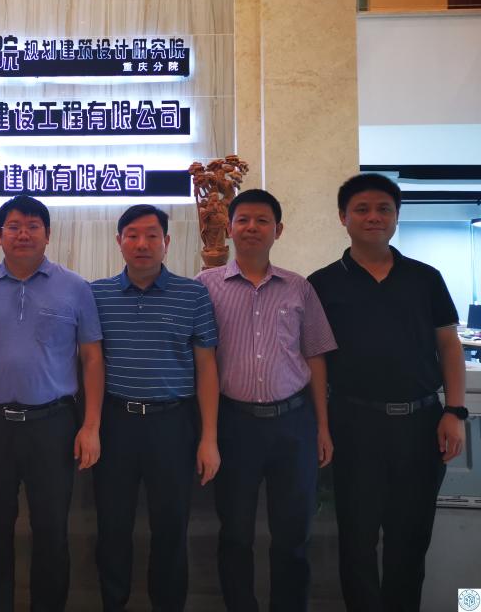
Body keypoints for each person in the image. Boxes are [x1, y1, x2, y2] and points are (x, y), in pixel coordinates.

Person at [308, 173, 467, 612]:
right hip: (353, 425)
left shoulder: (425, 278)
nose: (373, 217)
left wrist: (455, 411)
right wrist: (322, 425)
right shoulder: (321, 284)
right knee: (356, 542)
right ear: (343, 217)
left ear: (397, 217)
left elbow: (449, 345)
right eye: (361, 209)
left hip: (421, 425)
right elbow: (315, 359)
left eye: (384, 209)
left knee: (410, 541)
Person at [0, 195, 104, 612]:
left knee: (51, 530)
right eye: (13, 226)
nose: (23, 234)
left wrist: (90, 426)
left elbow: (91, 358)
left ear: (48, 234)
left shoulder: (75, 288)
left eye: (33, 226)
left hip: (52, 425)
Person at [196, 188, 336, 612]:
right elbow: (201, 361)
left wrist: (322, 427)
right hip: (234, 424)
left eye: (262, 220)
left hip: (293, 424)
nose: (252, 228)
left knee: (293, 534)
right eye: (243, 220)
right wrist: (208, 434)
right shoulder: (205, 287)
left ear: (279, 229)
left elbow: (315, 357)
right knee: (235, 533)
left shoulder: (298, 288)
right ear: (229, 228)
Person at [90, 204, 220, 612]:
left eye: (151, 235)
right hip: (115, 423)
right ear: (119, 241)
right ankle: (113, 603)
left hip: (173, 424)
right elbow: (88, 362)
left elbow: (207, 367)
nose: (142, 244)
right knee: (112, 526)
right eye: (132, 235)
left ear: (167, 241)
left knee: (171, 527)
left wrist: (209, 438)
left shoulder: (193, 294)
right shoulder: (97, 295)